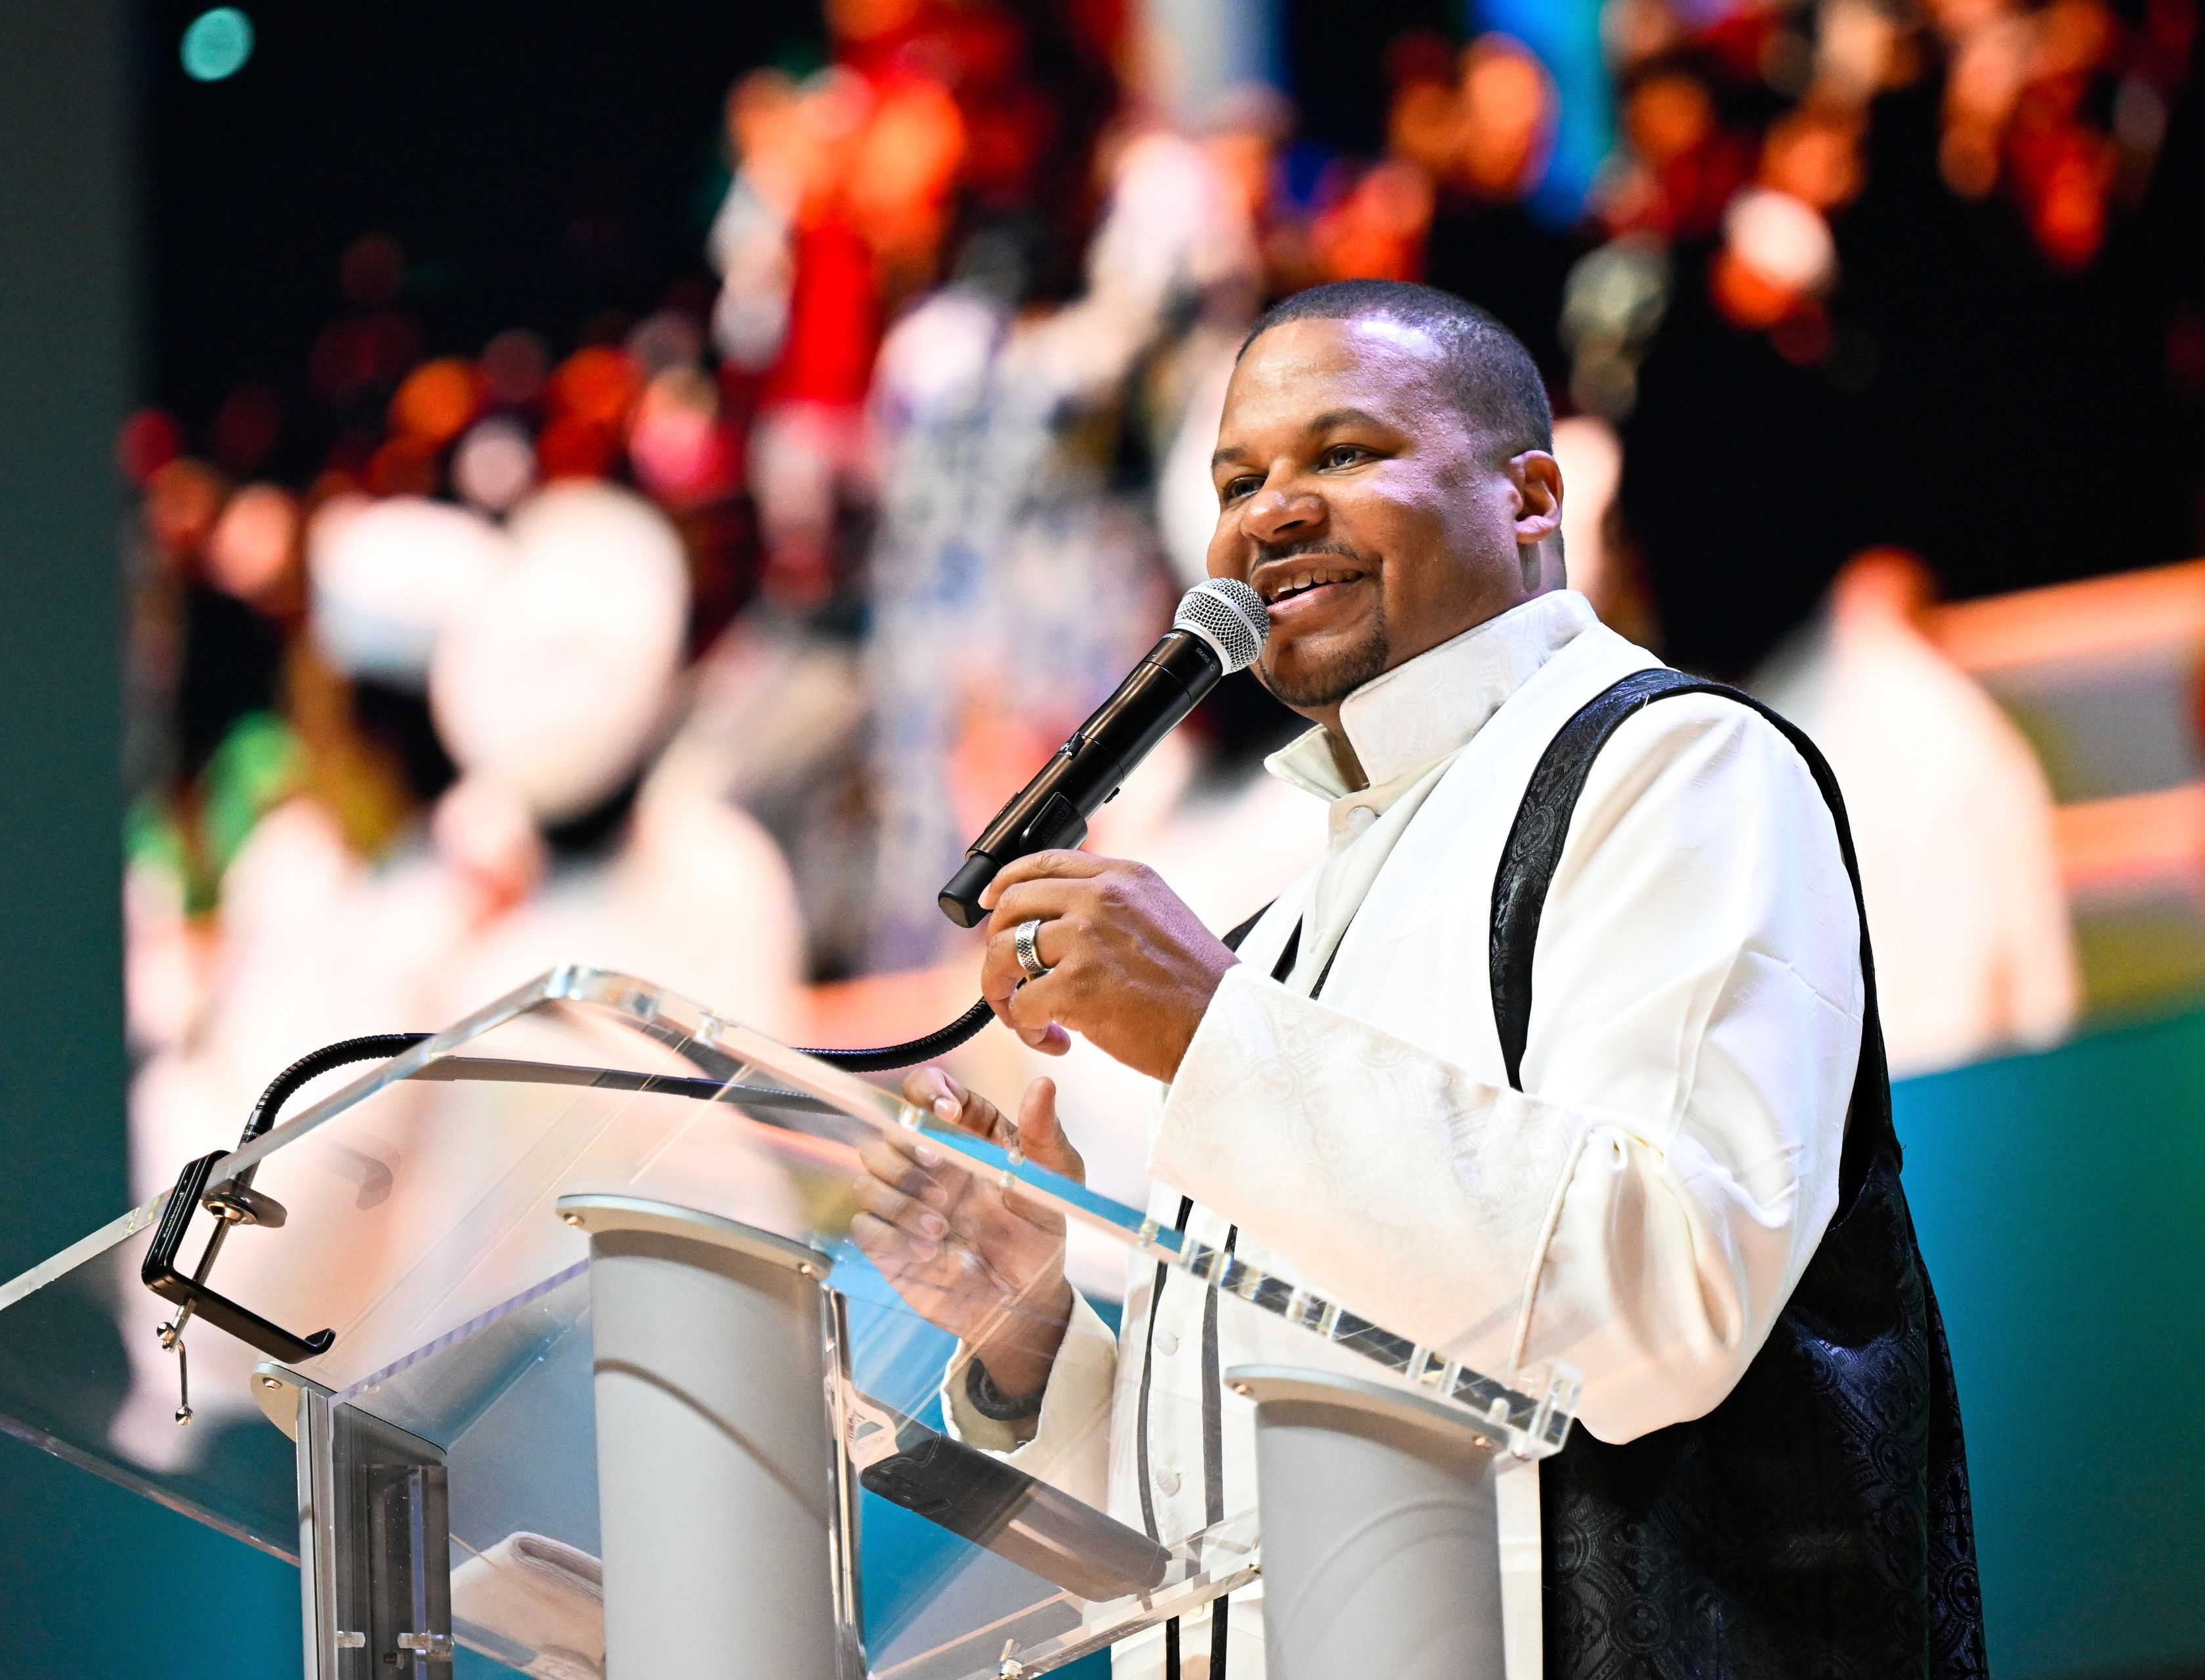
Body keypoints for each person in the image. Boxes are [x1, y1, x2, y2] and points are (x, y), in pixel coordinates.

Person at [849, 280, 1983, 1677]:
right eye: (1239, 477)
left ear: (1530, 495)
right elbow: (1233, 1504)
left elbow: (1663, 1300)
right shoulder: (1284, 929)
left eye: (1342, 453)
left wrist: (1212, 1031)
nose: (1269, 512)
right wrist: (1036, 1339)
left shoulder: (1677, 768)